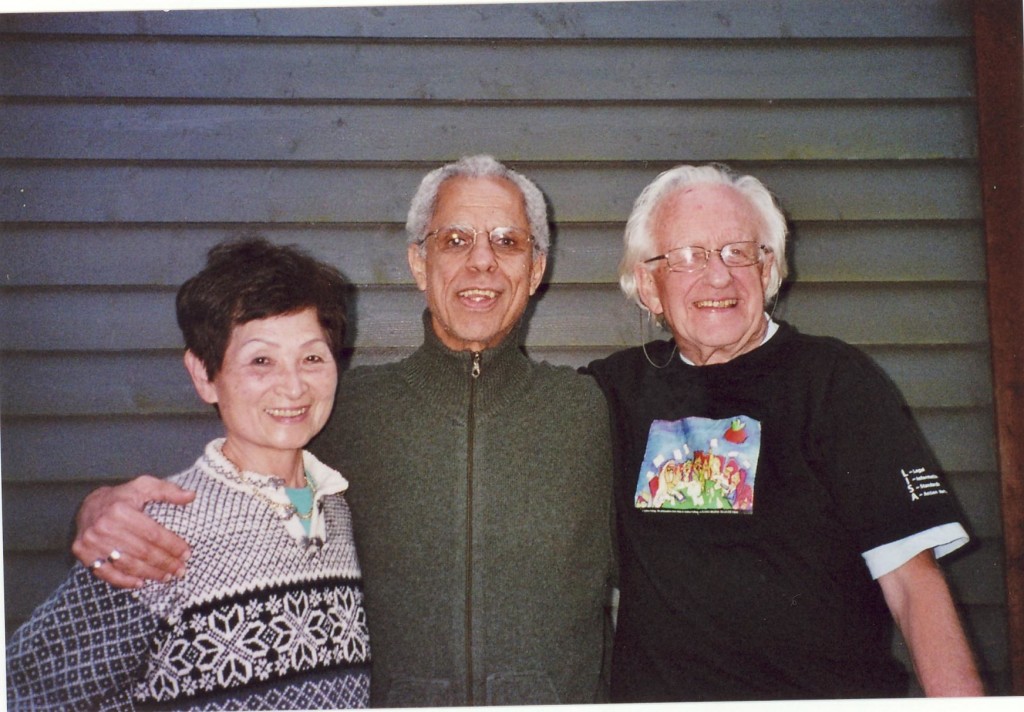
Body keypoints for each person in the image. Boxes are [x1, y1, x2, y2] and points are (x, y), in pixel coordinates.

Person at [69, 156, 616, 707]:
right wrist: (99, 507)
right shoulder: (337, 411)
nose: (482, 262)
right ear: (419, 264)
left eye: (507, 241)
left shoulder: (589, 411)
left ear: (537, 268)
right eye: (453, 240)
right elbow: (235, 489)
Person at [585, 163, 985, 701]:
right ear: (648, 286)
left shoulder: (836, 383)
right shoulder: (610, 393)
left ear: (768, 270)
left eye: (738, 251)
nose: (719, 276)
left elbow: (914, 586)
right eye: (688, 257)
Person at [6, 238, 371, 710]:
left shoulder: (333, 506)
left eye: (312, 358)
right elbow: (25, 693)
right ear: (204, 374)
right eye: (261, 360)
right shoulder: (155, 534)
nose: (294, 384)